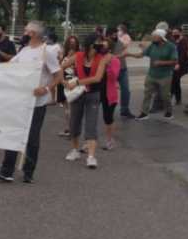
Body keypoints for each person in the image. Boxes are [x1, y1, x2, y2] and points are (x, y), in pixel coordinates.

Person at [0, 20, 63, 184]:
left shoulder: (47, 52)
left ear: (33, 34)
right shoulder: (24, 50)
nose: (23, 33)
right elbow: (11, 65)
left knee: (32, 138)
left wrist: (46, 89)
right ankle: (7, 171)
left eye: (25, 31)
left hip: (37, 103)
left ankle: (28, 172)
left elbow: (58, 75)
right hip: (19, 100)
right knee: (13, 133)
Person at [64, 35, 109, 168]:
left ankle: (91, 157)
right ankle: (75, 150)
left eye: (101, 43)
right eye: (98, 42)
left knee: (91, 124)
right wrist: (64, 82)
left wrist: (77, 82)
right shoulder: (78, 56)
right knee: (74, 123)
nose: (100, 45)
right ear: (90, 44)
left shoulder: (102, 59)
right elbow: (61, 66)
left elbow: (97, 78)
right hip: (78, 94)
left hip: (93, 94)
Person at [126, 29, 178, 121]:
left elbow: (174, 61)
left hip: (165, 76)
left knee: (165, 96)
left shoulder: (171, 46)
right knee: (147, 94)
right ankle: (144, 113)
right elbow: (141, 55)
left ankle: (168, 112)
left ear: (161, 37)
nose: (153, 38)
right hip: (151, 74)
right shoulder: (152, 45)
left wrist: (161, 62)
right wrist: (129, 54)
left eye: (155, 36)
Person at [56, 35, 81, 137]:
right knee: (66, 107)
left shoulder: (78, 55)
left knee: (71, 107)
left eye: (74, 42)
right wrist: (60, 58)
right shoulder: (64, 54)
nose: (72, 44)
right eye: (70, 42)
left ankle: (72, 129)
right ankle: (69, 128)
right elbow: (59, 66)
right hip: (63, 81)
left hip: (71, 81)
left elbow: (78, 69)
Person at [114, 23, 134, 117]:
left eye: (120, 30)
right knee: (107, 90)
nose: (119, 31)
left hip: (122, 67)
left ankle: (124, 109)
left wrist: (119, 38)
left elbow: (125, 46)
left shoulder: (125, 38)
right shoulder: (110, 40)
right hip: (112, 68)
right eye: (117, 30)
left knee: (126, 90)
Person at [170, 27, 188, 105]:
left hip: (181, 65)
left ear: (180, 32)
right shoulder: (173, 40)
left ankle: (170, 98)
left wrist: (178, 63)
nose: (174, 34)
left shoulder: (184, 41)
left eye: (176, 32)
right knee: (176, 82)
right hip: (174, 64)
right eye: (173, 33)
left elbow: (183, 54)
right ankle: (178, 99)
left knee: (174, 81)